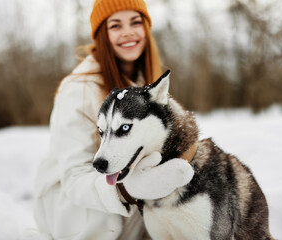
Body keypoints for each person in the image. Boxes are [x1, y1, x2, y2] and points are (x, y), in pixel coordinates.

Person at [33, 0, 194, 239]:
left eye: (135, 22)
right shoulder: (79, 88)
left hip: (130, 196)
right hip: (78, 210)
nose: (128, 31)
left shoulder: (142, 84)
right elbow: (74, 176)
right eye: (116, 25)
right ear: (102, 35)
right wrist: (128, 190)